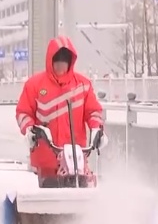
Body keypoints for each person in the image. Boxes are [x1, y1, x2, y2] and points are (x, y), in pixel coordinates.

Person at [15, 36, 108, 188]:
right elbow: (23, 113)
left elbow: (93, 112)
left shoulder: (82, 85)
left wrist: (97, 129)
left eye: (64, 63)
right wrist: (30, 131)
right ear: (50, 62)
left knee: (81, 191)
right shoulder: (35, 85)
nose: (60, 67)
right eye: (57, 63)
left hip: (76, 158)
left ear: (70, 62)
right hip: (46, 157)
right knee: (47, 198)